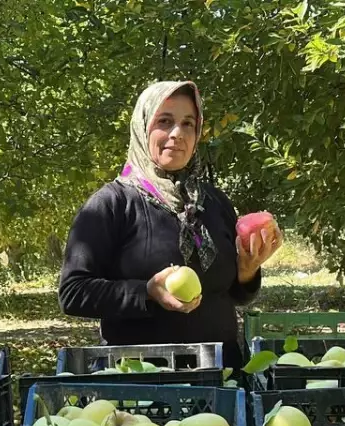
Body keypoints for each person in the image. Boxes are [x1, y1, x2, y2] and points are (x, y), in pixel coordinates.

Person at [58, 80, 281, 369]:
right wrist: (146, 292)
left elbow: (232, 295)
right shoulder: (111, 204)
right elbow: (73, 292)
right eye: (165, 121)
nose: (177, 133)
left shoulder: (213, 202)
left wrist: (247, 272)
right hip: (142, 384)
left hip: (220, 377)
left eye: (188, 123)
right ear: (142, 127)